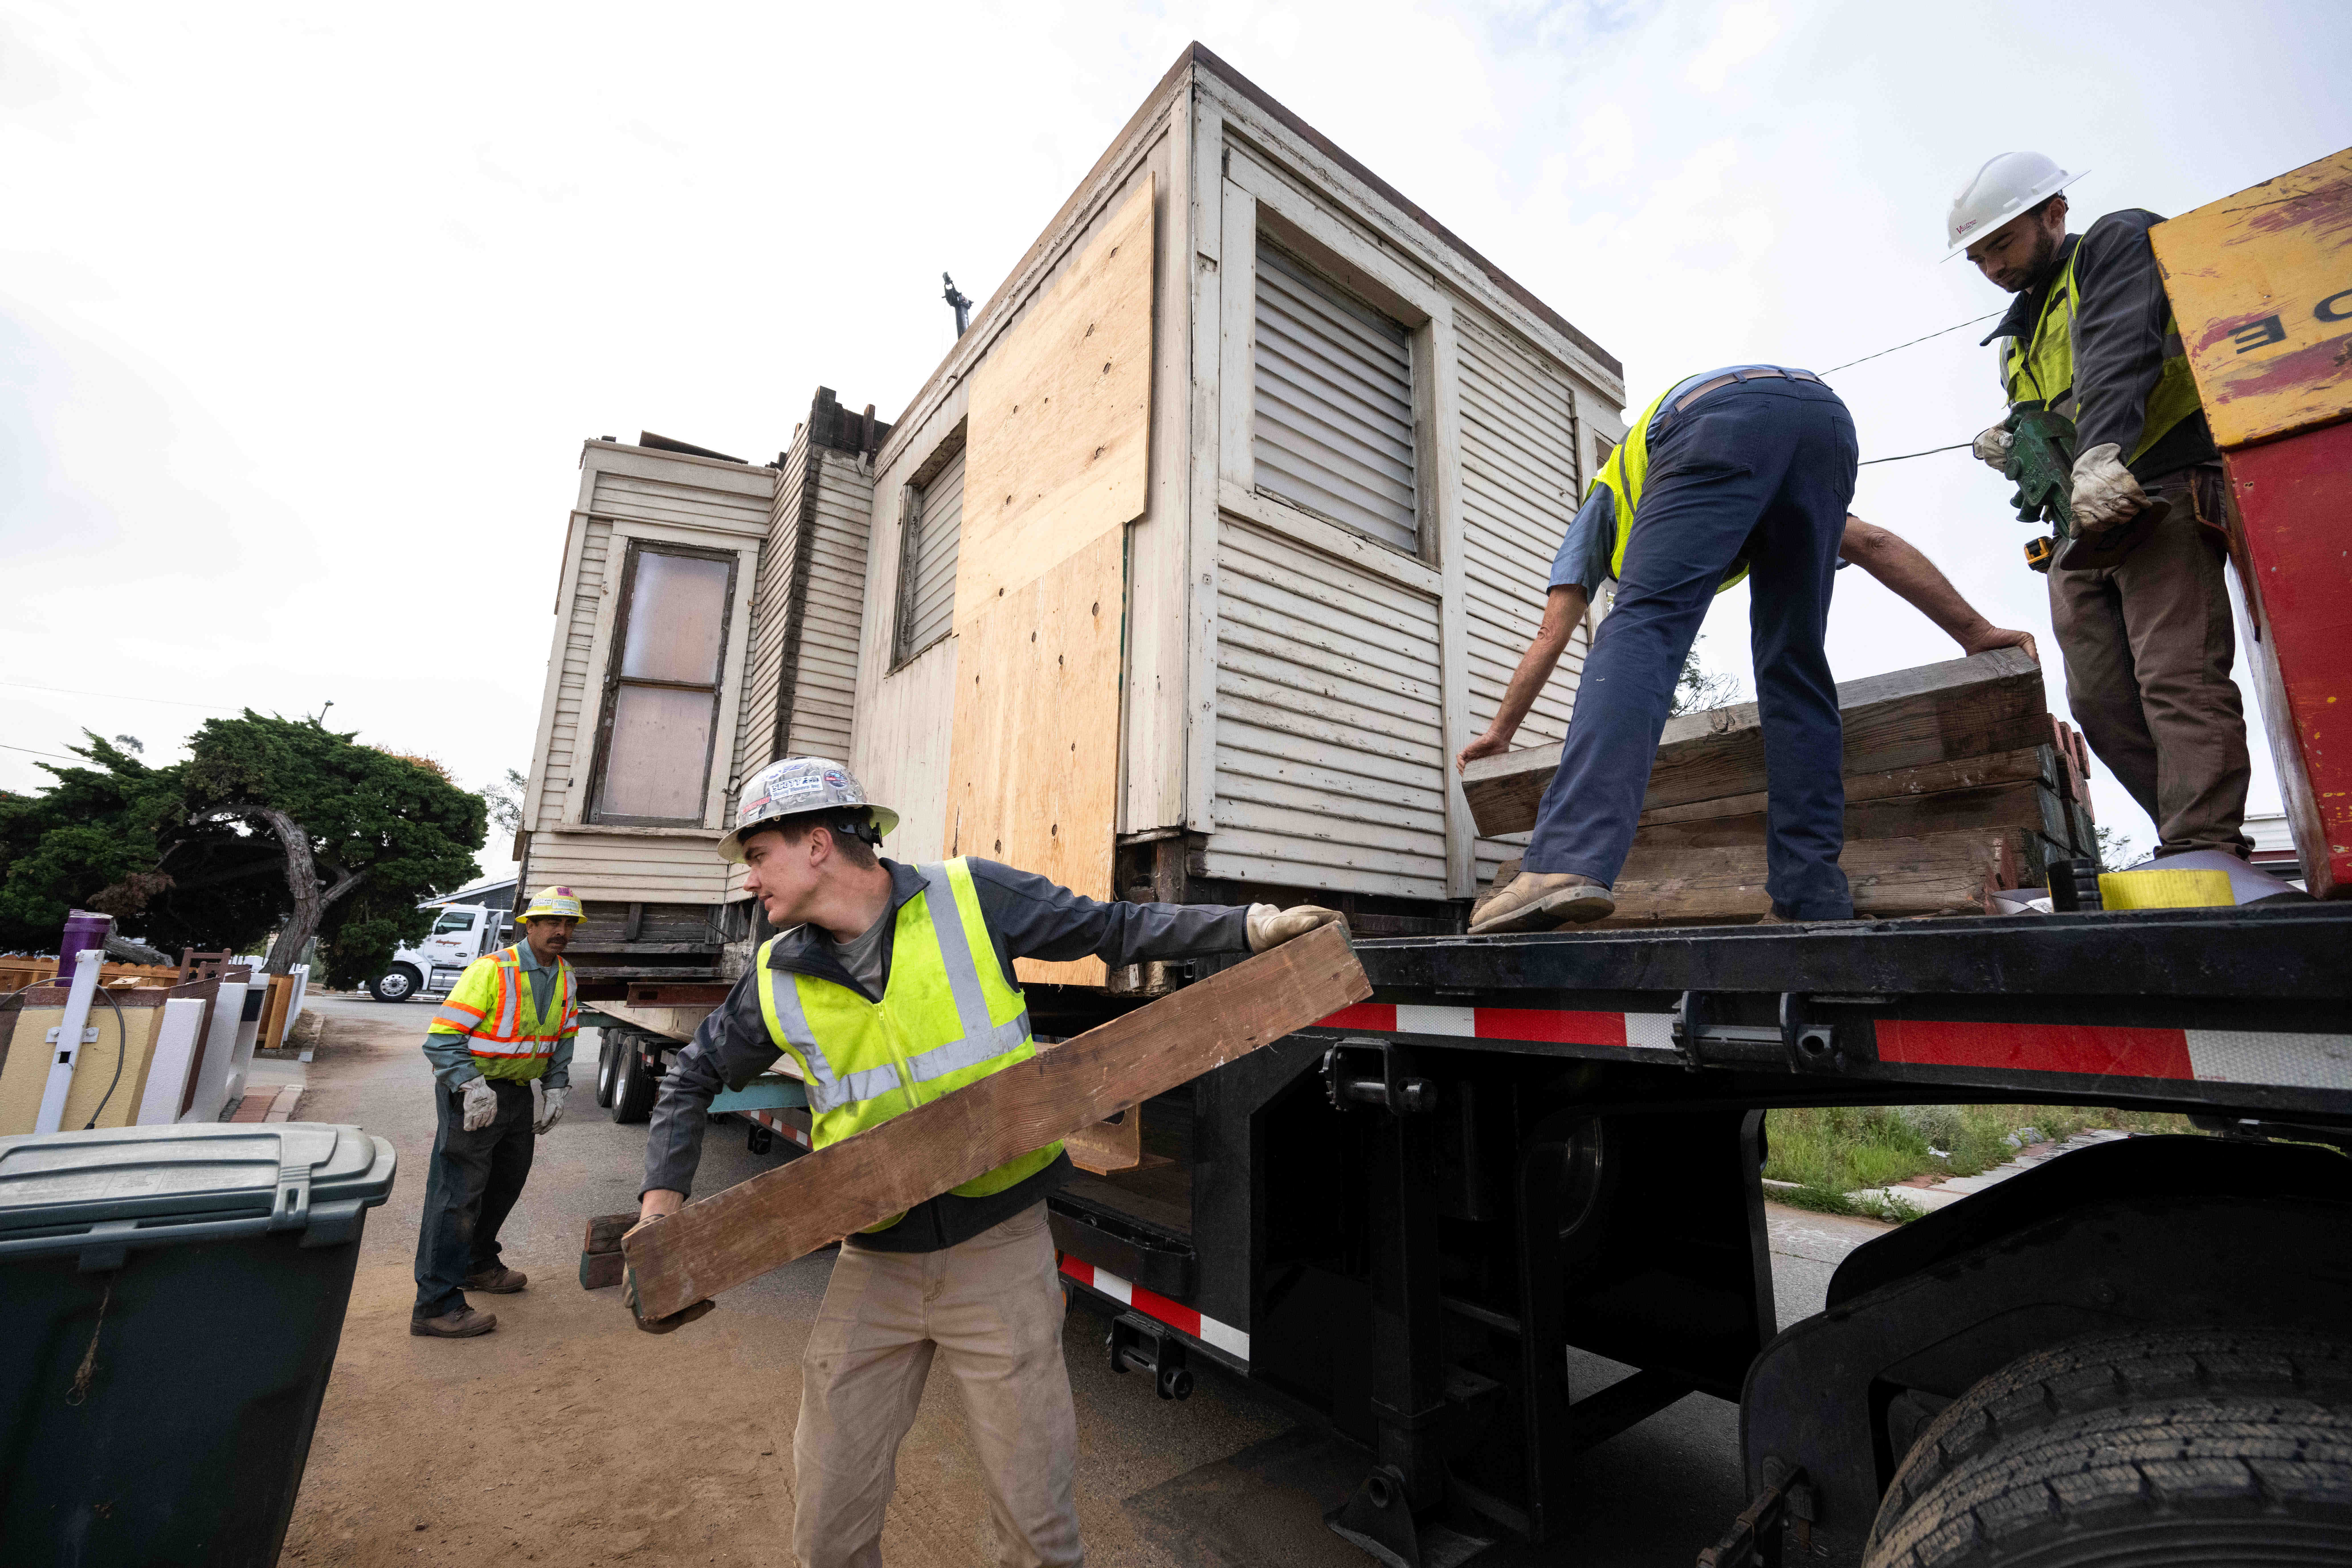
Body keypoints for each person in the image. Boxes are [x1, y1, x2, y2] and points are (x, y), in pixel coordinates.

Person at [628, 757, 1340, 1568]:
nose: (749, 879)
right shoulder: (777, 973)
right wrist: (662, 1214)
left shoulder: (971, 896)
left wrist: (1250, 927)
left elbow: (1114, 929)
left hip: (1000, 1252)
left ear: (818, 844)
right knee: (828, 1522)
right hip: (874, 1264)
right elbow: (692, 1076)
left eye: (758, 856)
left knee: (1038, 1530)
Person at [1459, 366, 2040, 936]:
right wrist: (1975, 632)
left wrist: (1501, 732)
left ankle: (1565, 859)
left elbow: (1551, 634)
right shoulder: (1759, 481)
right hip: (1825, 424)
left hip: (1713, 418)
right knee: (1795, 663)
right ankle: (1809, 895)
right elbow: (1874, 542)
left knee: (1643, 627)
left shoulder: (1607, 499)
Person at [1952, 150, 2251, 859]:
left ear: (2055, 213)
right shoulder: (2016, 336)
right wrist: (2014, 434)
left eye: (2002, 243)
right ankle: (2185, 835)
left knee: (2177, 675)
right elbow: (2052, 409)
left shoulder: (2115, 247)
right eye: (1979, 257)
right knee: (2099, 701)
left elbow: (2120, 354)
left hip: (2155, 488)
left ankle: (2206, 844)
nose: (1993, 266)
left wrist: (2101, 453)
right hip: (2077, 523)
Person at [409, 886, 580, 1338]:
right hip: (474, 1092)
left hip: (517, 1093)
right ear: (530, 925)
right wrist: (470, 1084)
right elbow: (442, 1038)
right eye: (552, 922)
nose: (561, 932)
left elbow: (564, 1036)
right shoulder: (492, 970)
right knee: (457, 1196)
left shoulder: (565, 976)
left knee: (505, 1183)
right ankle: (434, 1305)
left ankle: (478, 1264)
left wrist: (557, 1086)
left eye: (569, 924)